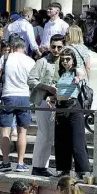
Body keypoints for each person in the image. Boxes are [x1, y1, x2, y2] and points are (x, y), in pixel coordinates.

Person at [0, 37, 35, 172]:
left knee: (5, 130)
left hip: (8, 96)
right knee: (22, 132)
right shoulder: (30, 61)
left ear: (12, 47)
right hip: (24, 96)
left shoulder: (5, 58)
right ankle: (20, 163)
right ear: (24, 47)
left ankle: (6, 162)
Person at [28, 34, 66, 177]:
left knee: (51, 136)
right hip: (44, 101)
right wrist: (47, 87)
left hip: (61, 102)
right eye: (53, 47)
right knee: (44, 134)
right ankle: (38, 166)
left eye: (59, 47)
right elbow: (31, 79)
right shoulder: (42, 61)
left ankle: (43, 166)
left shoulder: (66, 60)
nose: (56, 50)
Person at [51, 48, 89, 178]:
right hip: (60, 107)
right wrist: (52, 98)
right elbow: (60, 93)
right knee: (61, 141)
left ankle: (82, 171)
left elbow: (81, 74)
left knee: (77, 142)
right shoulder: (62, 74)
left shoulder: (75, 71)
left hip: (73, 107)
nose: (65, 61)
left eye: (68, 59)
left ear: (73, 60)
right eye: (63, 59)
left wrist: (78, 79)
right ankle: (63, 169)